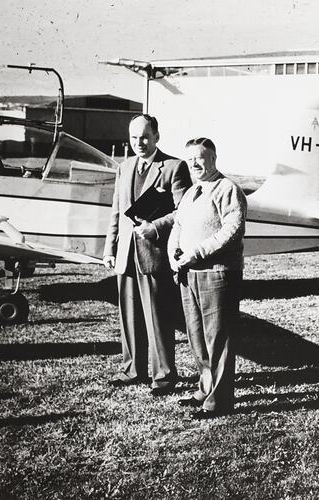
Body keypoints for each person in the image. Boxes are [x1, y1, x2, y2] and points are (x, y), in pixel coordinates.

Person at [103, 114, 192, 395]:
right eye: (133, 138)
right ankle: (132, 370)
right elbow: (117, 211)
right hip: (127, 254)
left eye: (144, 137)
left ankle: (163, 376)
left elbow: (183, 210)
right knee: (129, 316)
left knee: (158, 317)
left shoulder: (174, 168)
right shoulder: (124, 167)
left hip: (154, 254)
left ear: (156, 137)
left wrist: (155, 227)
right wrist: (110, 248)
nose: (139, 143)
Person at [168, 137, 247, 419]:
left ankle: (219, 400)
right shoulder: (191, 193)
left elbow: (232, 230)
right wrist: (174, 258)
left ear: (213, 159)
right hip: (189, 273)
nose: (194, 163)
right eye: (189, 159)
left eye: (200, 158)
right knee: (197, 336)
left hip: (217, 274)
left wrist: (196, 253)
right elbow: (177, 226)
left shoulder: (228, 189)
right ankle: (204, 387)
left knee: (219, 338)